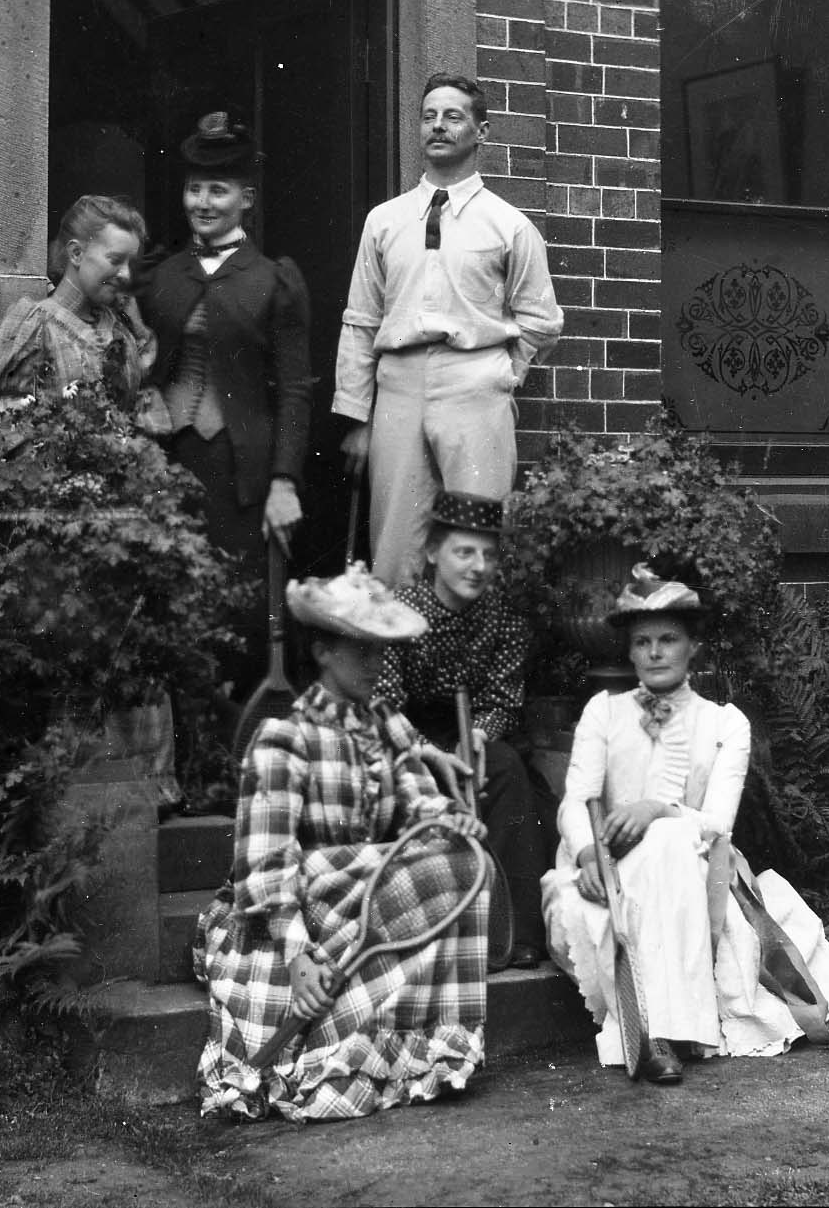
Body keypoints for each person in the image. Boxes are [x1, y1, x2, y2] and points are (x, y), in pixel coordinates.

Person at [542, 565, 829, 1084]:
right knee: (655, 849)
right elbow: (576, 801)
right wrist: (586, 854)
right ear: (629, 652)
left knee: (673, 837)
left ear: (693, 646)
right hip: (612, 871)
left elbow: (717, 822)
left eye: (669, 639)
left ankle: (662, 1033)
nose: (655, 652)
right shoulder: (604, 714)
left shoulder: (724, 724)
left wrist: (658, 808)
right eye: (642, 641)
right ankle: (657, 1026)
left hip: (702, 873)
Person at [192, 564, 490, 1122]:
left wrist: (451, 821)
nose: (377, 664)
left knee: (459, 862)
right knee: (388, 869)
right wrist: (297, 955)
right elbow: (267, 855)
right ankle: (331, 1048)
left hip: (361, 888)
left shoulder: (384, 722)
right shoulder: (285, 737)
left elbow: (419, 796)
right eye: (362, 650)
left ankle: (396, 1040)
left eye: (382, 651)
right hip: (294, 905)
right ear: (324, 652)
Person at [333, 72, 563, 588]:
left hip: (475, 385)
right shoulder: (384, 222)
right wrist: (356, 413)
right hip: (399, 386)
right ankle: (396, 664)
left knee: (478, 537)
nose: (438, 126)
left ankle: (474, 663)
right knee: (393, 544)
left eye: (454, 116)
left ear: (482, 131)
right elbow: (361, 318)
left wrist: (502, 372)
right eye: (429, 116)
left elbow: (542, 320)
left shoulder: (509, 225)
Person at [137, 113, 312, 687]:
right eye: (194, 188)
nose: (203, 202)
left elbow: (293, 389)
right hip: (167, 461)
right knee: (166, 599)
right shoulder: (161, 275)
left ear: (246, 198)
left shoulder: (273, 278)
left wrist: (285, 480)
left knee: (237, 609)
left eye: (218, 189)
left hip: (241, 473)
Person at [374, 490, 554, 971]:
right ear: (433, 553)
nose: (478, 566)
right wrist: (430, 752)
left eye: (489, 555)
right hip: (409, 741)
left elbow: (502, 700)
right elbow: (385, 705)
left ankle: (516, 933)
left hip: (474, 735)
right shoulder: (399, 614)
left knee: (508, 773)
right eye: (464, 551)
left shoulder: (504, 622)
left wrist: (477, 733)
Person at [0, 194, 165, 457]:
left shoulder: (120, 330)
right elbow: (3, 431)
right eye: (115, 260)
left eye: (130, 264)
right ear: (76, 253)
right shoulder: (37, 325)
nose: (126, 275)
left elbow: (138, 419)